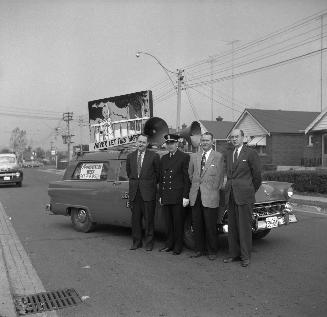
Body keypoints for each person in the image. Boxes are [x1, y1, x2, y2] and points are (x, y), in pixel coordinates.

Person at [223, 129, 262, 267]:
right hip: (231, 195)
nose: (234, 139)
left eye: (236, 137)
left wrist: (250, 189)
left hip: (245, 195)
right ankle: (233, 254)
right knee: (232, 226)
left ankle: (245, 256)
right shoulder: (229, 153)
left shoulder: (250, 153)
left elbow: (257, 176)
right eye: (232, 137)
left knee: (244, 227)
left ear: (243, 137)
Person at [188, 132, 224, 260]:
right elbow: (190, 175)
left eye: (207, 140)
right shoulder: (194, 157)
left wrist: (212, 190)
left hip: (211, 196)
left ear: (212, 141)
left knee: (210, 226)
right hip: (196, 195)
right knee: (197, 225)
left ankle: (212, 251)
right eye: (203, 140)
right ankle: (199, 250)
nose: (204, 142)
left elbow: (220, 179)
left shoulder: (218, 157)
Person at [126, 133, 160, 251]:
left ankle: (149, 243)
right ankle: (136, 242)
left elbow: (158, 174)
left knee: (149, 220)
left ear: (147, 144)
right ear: (136, 142)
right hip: (135, 193)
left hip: (148, 193)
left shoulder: (154, 156)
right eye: (139, 142)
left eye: (143, 142)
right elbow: (129, 173)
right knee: (135, 220)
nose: (141, 144)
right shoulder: (130, 156)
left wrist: (148, 184)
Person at [158, 134, 190, 255]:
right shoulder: (164, 158)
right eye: (168, 143)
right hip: (166, 195)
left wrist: (185, 196)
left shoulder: (184, 157)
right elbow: (162, 178)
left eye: (172, 143)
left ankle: (178, 246)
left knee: (178, 223)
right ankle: (169, 244)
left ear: (177, 144)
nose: (170, 145)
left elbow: (186, 178)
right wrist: (161, 195)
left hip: (178, 196)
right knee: (168, 223)